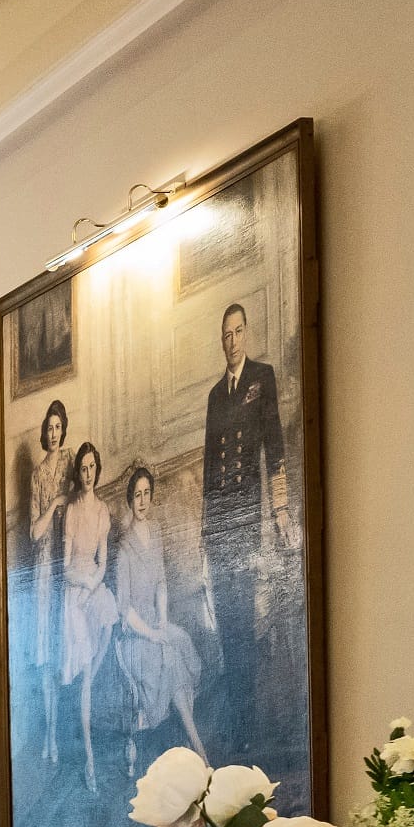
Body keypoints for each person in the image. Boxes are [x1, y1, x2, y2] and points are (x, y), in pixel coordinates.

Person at [198, 302, 289, 750]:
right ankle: (236, 729)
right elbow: (209, 468)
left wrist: (281, 509)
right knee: (227, 627)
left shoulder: (261, 378)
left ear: (246, 334)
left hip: (248, 520)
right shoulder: (217, 395)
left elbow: (275, 446)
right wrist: (204, 534)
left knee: (247, 623)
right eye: (226, 335)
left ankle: (249, 731)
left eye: (237, 332)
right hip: (219, 525)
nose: (232, 342)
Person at [112, 468, 206, 772]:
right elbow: (124, 609)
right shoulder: (123, 548)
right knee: (168, 656)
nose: (142, 501)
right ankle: (198, 751)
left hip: (155, 621)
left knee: (180, 642)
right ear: (130, 500)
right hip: (135, 636)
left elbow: (162, 582)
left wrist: (163, 623)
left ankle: (192, 746)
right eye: (137, 495)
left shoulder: (155, 531)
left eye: (147, 494)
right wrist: (153, 634)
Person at [54, 442, 119, 793]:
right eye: (83, 468)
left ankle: (91, 676)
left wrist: (94, 584)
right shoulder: (72, 512)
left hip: (94, 585)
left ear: (98, 470)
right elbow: (64, 568)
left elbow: (103, 562)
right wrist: (84, 584)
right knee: (83, 681)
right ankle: (89, 760)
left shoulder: (102, 511)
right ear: (77, 473)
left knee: (110, 618)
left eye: (93, 467)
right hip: (74, 591)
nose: (89, 473)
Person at [19, 399, 72, 767]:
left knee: (66, 650)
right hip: (43, 574)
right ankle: (51, 736)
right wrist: (54, 503)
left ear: (63, 430)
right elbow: (35, 532)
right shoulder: (38, 476)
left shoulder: (72, 462)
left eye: (58, 427)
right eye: (48, 428)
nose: (53, 434)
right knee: (46, 654)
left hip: (67, 566)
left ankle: (67, 734)